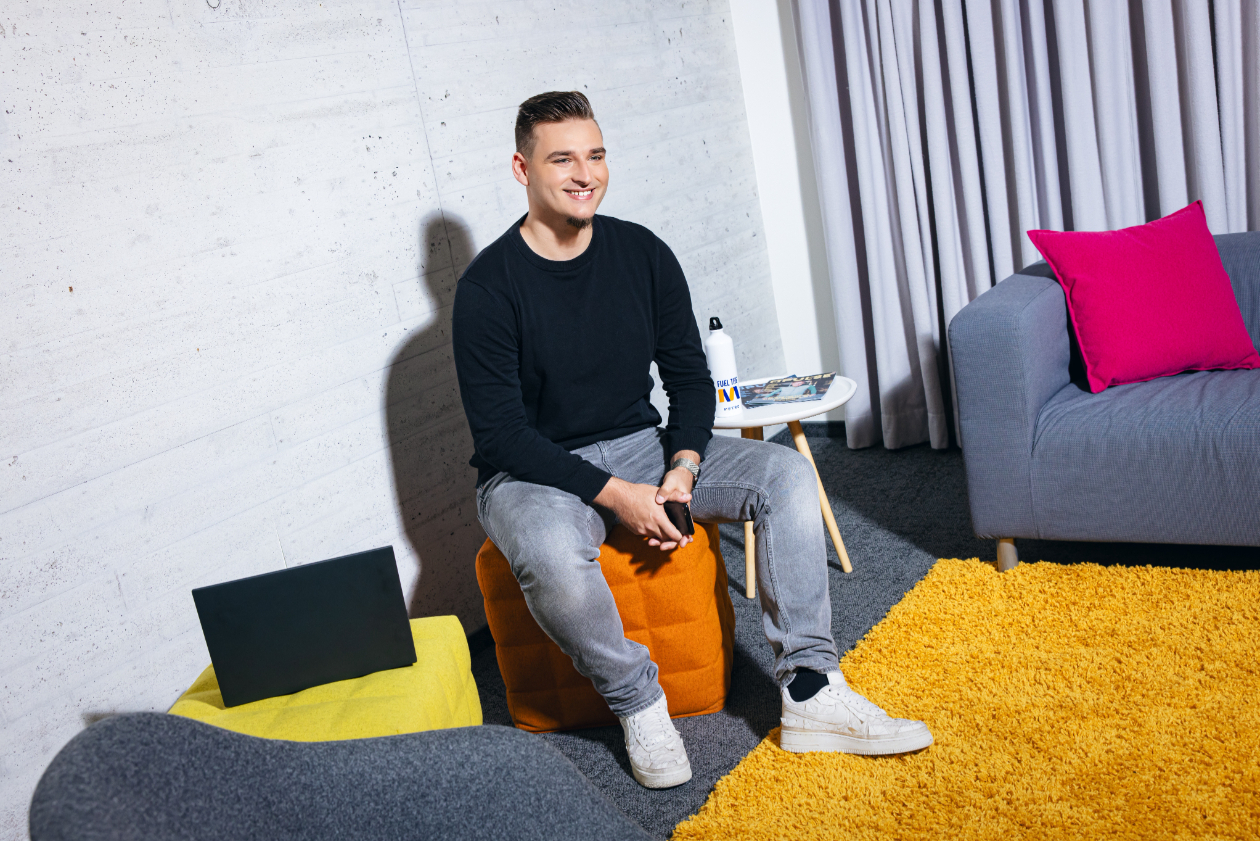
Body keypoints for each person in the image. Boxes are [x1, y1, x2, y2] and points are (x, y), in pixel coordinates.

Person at [451, 91, 932, 789]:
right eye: (563, 159)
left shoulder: (642, 253)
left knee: (787, 477)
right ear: (522, 169)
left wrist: (681, 466)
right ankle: (639, 703)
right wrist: (620, 497)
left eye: (596, 154)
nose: (585, 173)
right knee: (551, 551)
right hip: (529, 472)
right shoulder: (488, 288)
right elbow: (501, 435)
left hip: (642, 444)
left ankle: (810, 688)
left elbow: (687, 379)